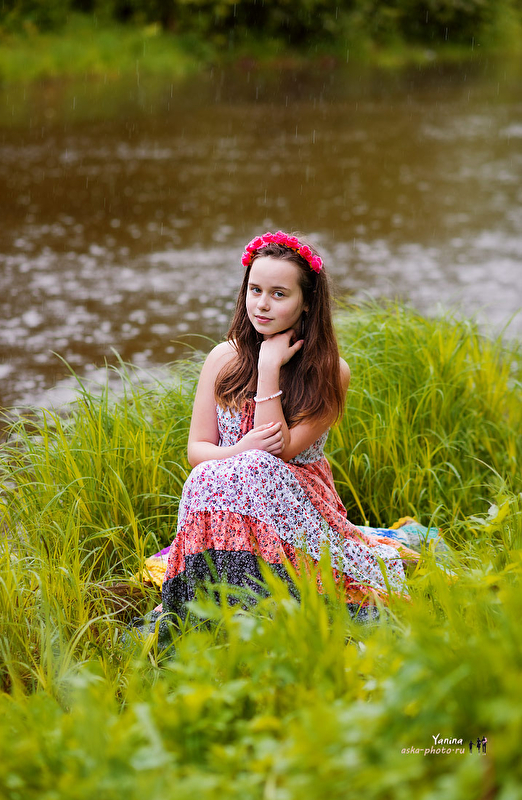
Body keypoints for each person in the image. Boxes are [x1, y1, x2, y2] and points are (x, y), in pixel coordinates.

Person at [156, 231, 418, 626]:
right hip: (231, 491)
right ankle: (212, 601)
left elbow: (277, 453)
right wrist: (238, 450)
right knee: (207, 474)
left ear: (307, 302)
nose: (262, 304)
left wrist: (268, 368)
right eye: (255, 290)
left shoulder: (330, 371)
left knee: (257, 466)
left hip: (298, 498)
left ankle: (268, 598)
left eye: (279, 294)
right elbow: (198, 451)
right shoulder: (222, 358)